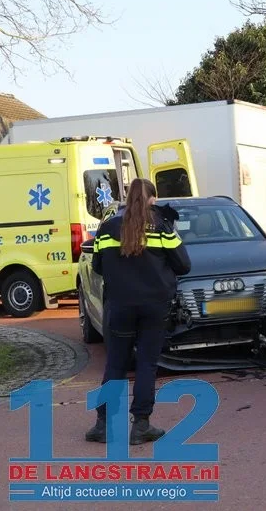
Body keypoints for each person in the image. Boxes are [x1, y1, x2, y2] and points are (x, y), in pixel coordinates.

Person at [85, 178, 191, 445]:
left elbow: (97, 266)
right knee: (146, 363)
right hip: (155, 306)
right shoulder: (162, 226)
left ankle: (103, 425)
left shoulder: (107, 228)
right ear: (152, 199)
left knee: (116, 364)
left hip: (120, 305)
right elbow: (184, 265)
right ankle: (141, 425)